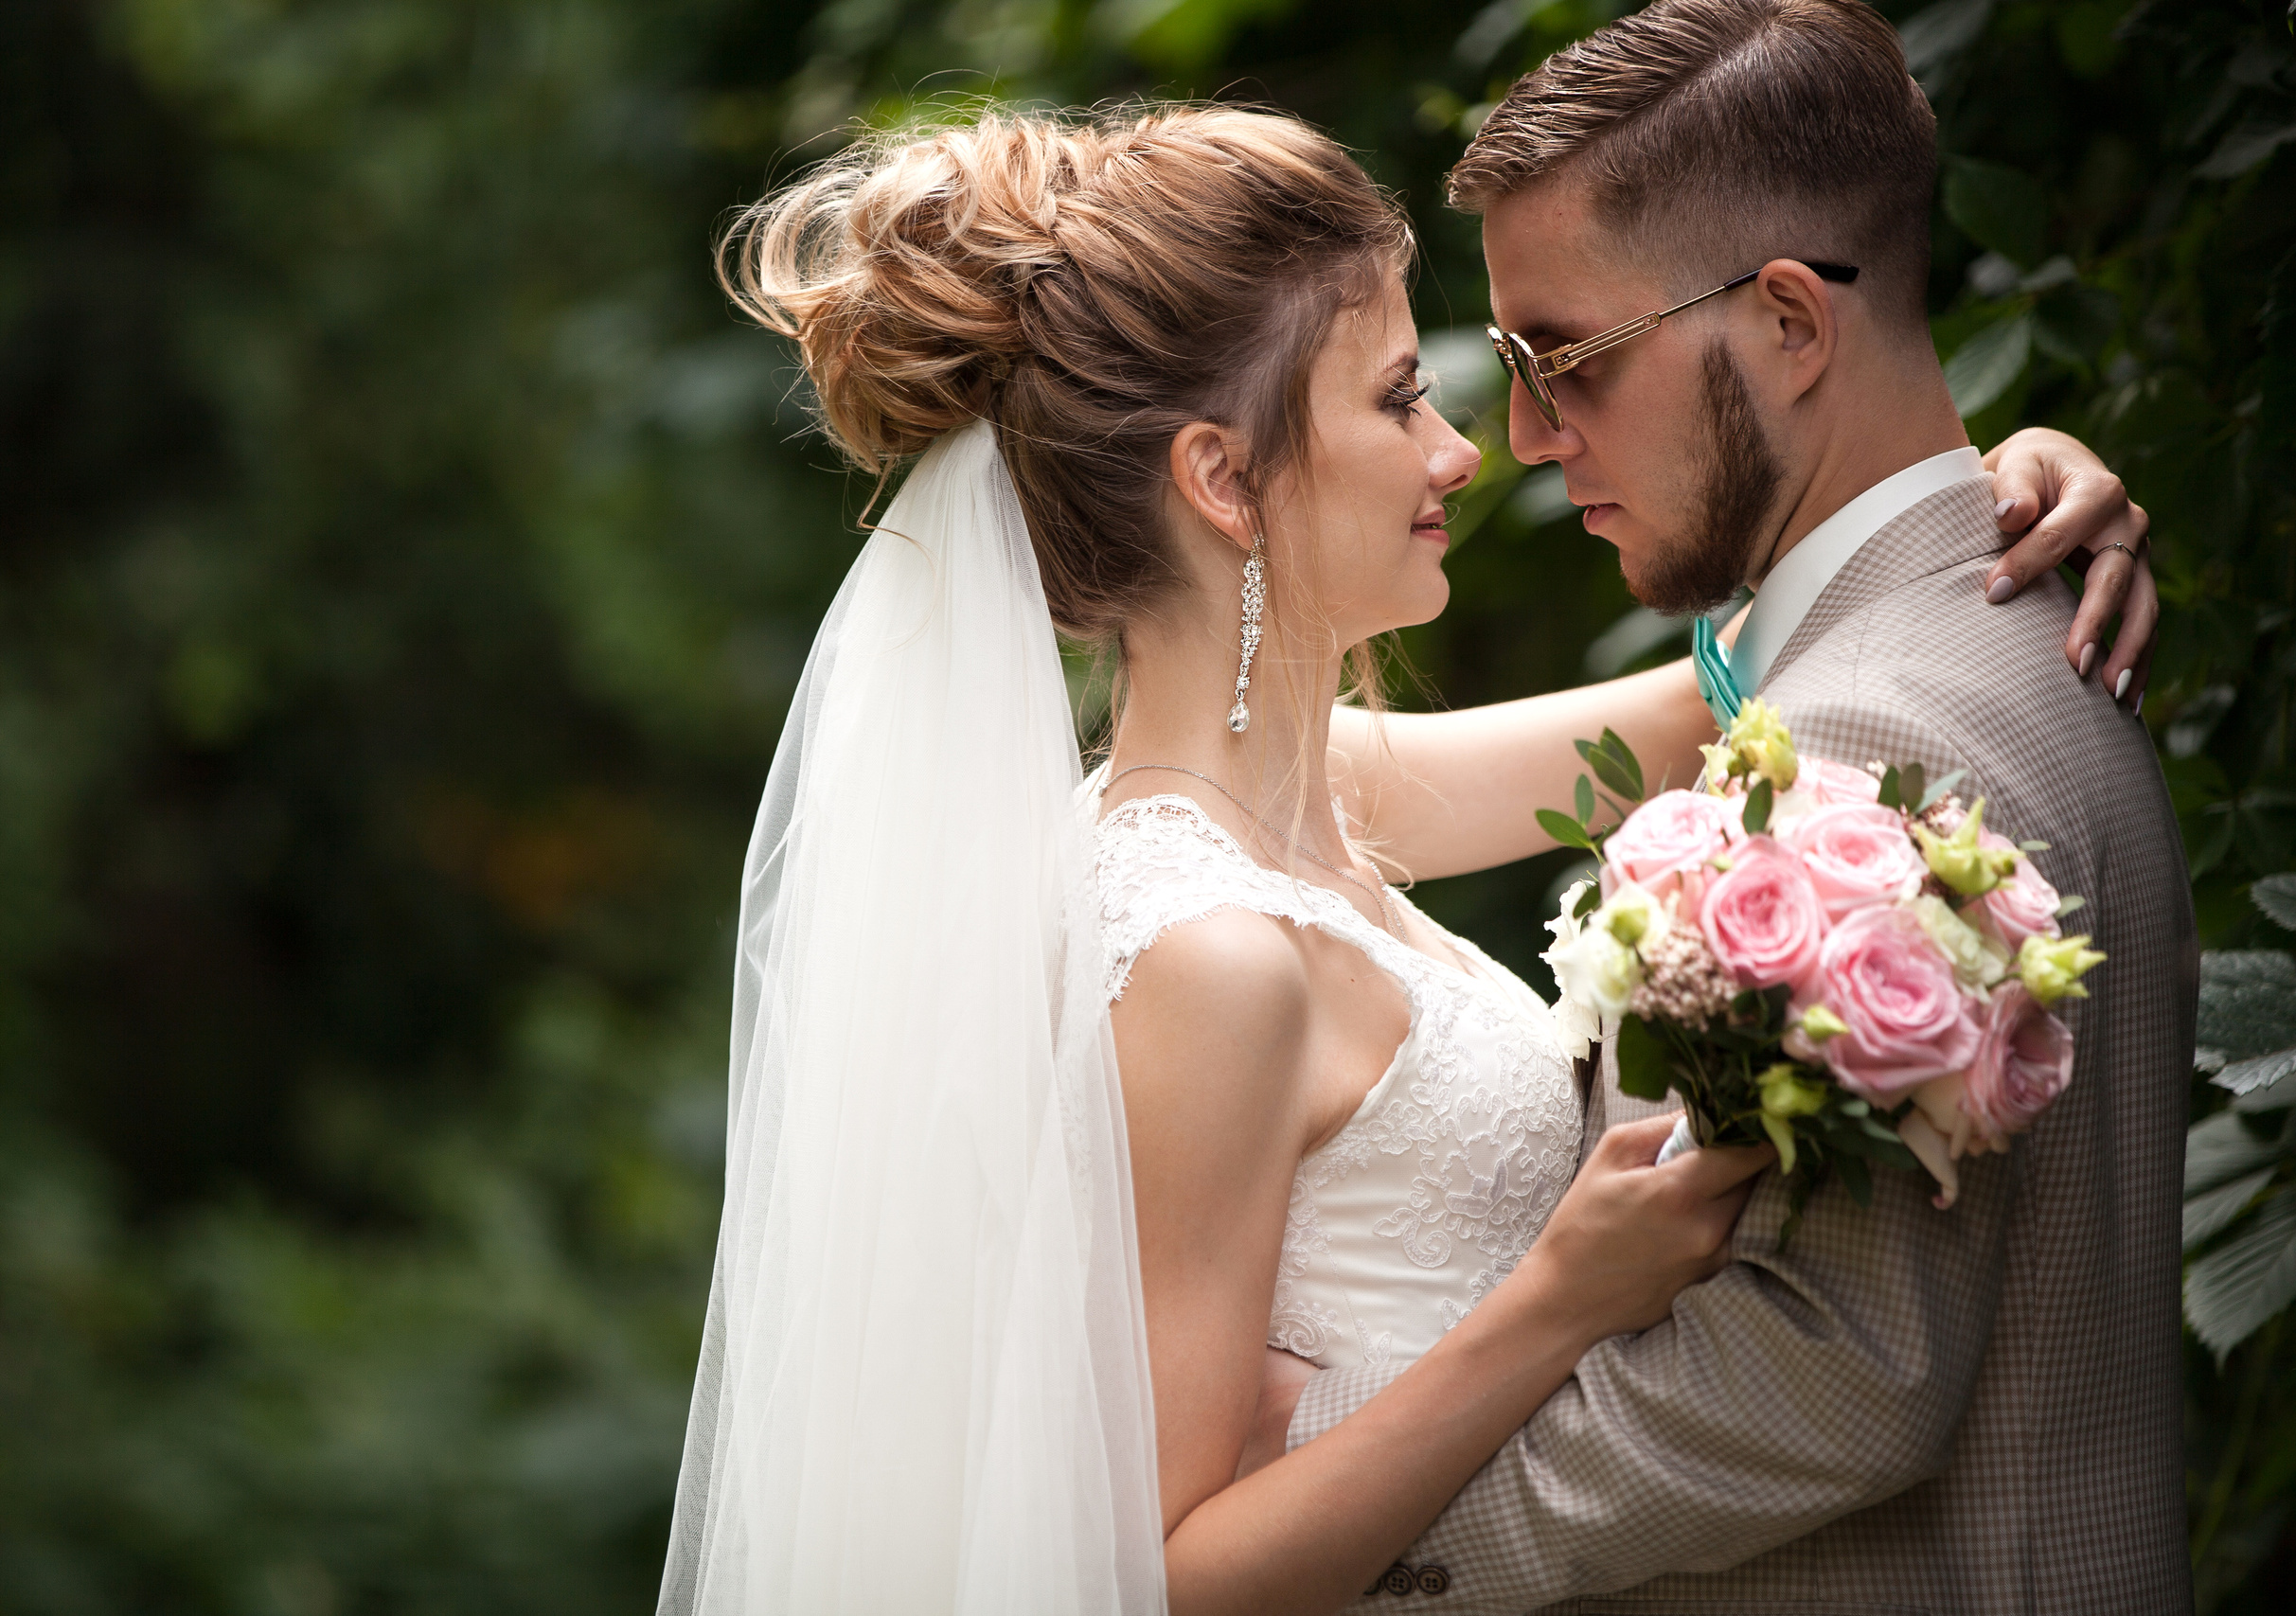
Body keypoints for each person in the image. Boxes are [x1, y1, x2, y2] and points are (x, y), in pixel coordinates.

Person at [655, 96, 2163, 1615]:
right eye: (1394, 402)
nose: (1461, 452)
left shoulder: (1320, 798)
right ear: (1224, 481)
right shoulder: (1205, 953)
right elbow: (1162, 1581)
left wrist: (1990, 484)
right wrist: (1550, 1307)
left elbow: (1759, 671)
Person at [1274, 3, 2197, 1611]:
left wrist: (1331, 1511)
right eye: (1509, 368)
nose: (1528, 441)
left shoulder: (1868, 737)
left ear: (1787, 320)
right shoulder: (1968, 648)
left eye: (1569, 360)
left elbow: (1820, 1367)